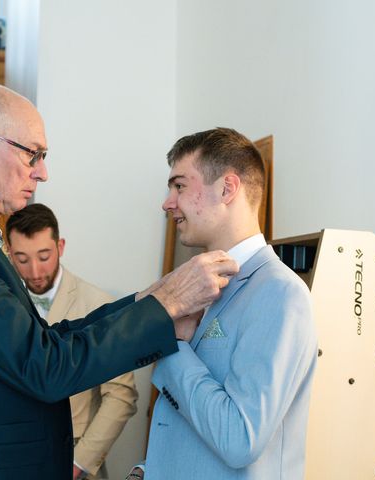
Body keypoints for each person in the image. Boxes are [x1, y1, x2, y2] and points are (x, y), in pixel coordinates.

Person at [0, 84, 238, 479]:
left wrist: (146, 301)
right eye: (32, 153)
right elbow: (43, 365)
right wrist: (165, 305)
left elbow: (43, 340)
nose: (43, 172)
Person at [130, 128, 318, 480]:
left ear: (227, 189)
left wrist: (173, 345)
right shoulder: (201, 286)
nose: (167, 202)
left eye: (180, 186)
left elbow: (239, 439)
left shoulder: (279, 294)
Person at [6, 203, 138, 480]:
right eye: (22, 258)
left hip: (74, 458)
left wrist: (78, 463)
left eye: (44, 256)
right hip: (9, 456)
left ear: (60, 247)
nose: (34, 271)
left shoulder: (98, 304)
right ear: (8, 252)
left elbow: (120, 395)